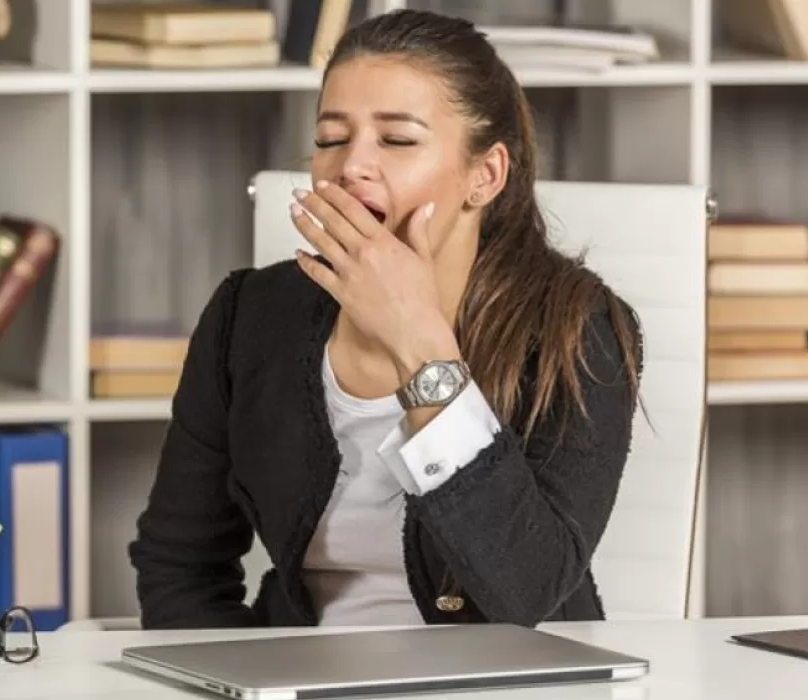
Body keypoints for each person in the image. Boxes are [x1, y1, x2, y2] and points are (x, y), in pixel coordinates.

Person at [128, 9, 644, 630]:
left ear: (484, 176)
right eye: (330, 138)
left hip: (506, 682)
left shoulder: (576, 330)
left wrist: (420, 347)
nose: (351, 166)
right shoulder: (249, 316)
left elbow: (527, 594)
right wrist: (232, 681)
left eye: (397, 140)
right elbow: (180, 565)